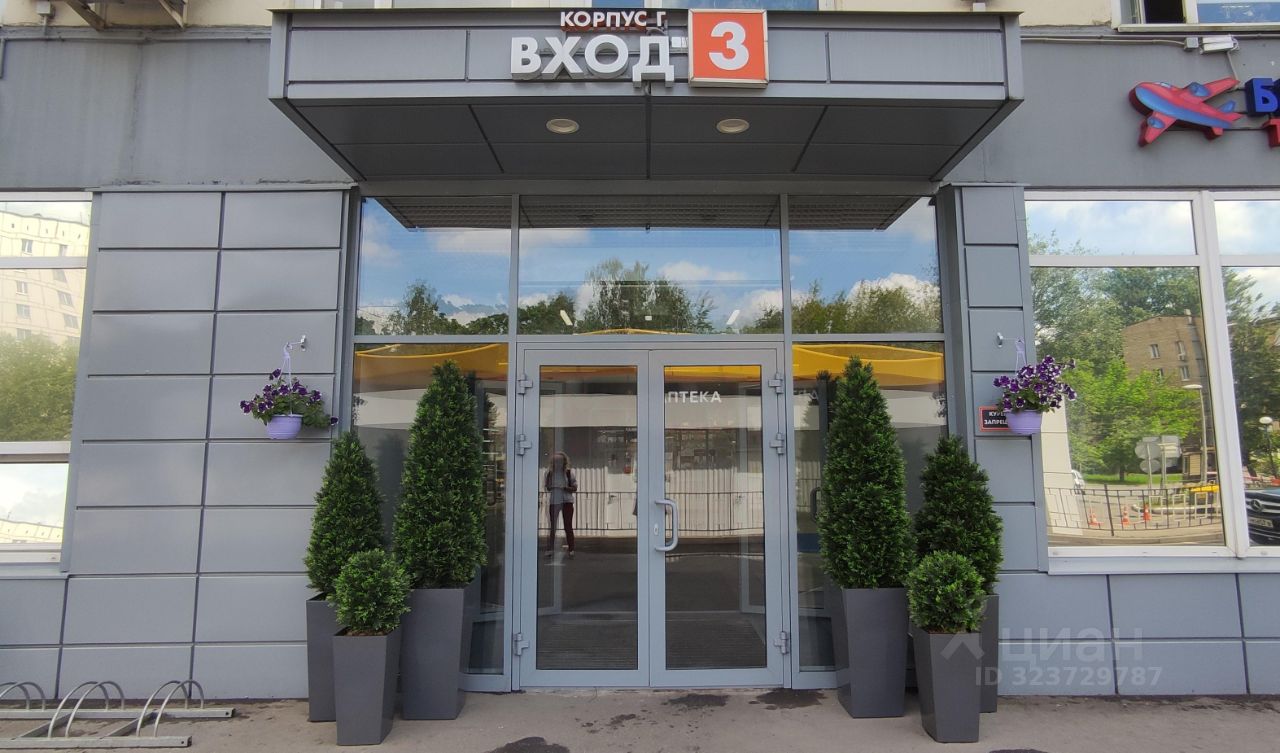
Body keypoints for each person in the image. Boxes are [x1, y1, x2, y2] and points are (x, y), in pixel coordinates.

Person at [544, 451, 577, 558]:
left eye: (560, 461)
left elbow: (574, 488)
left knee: (568, 525)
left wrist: (565, 488)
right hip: (554, 501)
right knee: (553, 526)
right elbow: (547, 487)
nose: (558, 463)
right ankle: (550, 549)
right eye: (556, 461)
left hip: (567, 501)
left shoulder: (569, 473)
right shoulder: (549, 473)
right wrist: (552, 486)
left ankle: (571, 549)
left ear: (564, 462)